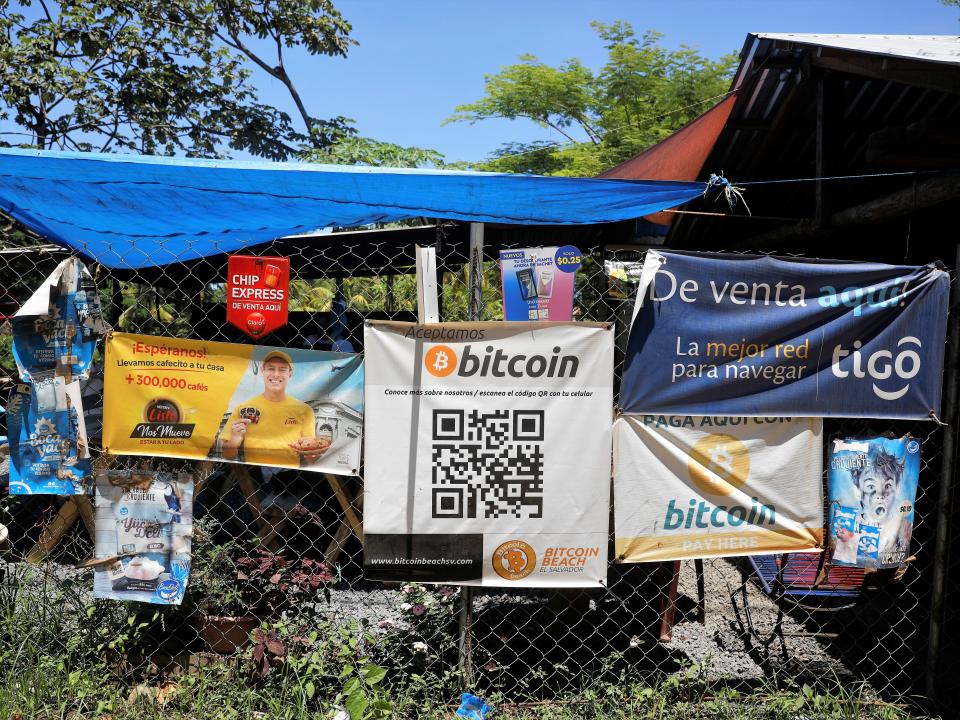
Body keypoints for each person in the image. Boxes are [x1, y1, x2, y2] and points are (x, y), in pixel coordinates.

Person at [221, 350, 329, 467]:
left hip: (288, 473)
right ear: (262, 371)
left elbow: (311, 458)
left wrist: (317, 452)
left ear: (290, 374)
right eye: (271, 368)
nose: (276, 374)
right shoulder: (243, 408)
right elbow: (228, 455)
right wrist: (235, 439)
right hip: (252, 473)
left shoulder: (304, 410)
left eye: (282, 369)